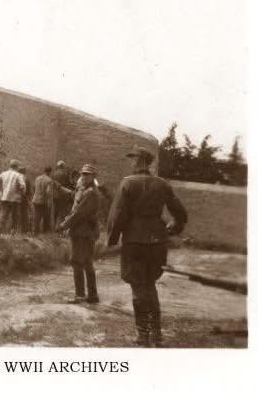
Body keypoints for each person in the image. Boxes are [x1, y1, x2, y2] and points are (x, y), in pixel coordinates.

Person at [107, 146, 188, 347]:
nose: (131, 162)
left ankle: (143, 334)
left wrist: (112, 239)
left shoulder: (127, 183)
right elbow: (181, 213)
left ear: (140, 161)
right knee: (150, 284)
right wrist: (174, 228)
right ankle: (156, 333)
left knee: (137, 286)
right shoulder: (162, 184)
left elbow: (118, 215)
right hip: (158, 242)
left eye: (133, 159)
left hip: (134, 242)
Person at [58, 164, 101, 303]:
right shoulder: (87, 190)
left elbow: (79, 213)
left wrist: (64, 225)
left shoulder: (90, 192)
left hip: (82, 231)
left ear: (93, 176)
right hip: (86, 231)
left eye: (87, 174)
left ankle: (80, 295)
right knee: (87, 262)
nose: (84, 176)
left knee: (77, 262)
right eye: (83, 174)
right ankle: (92, 295)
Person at [0, 160, 26, 237]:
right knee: (15, 217)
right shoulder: (18, 175)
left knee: (3, 215)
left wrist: (1, 189)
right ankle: (12, 233)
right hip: (15, 199)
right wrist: (21, 193)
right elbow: (23, 186)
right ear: (16, 167)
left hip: (5, 197)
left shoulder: (3, 173)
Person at [31, 166, 57, 233]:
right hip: (43, 201)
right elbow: (48, 192)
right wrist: (49, 202)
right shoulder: (49, 180)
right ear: (50, 172)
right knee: (46, 216)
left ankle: (35, 231)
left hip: (35, 199)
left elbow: (34, 187)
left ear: (44, 171)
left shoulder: (37, 178)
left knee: (37, 216)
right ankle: (45, 230)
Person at [53, 160, 75, 224]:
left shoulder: (54, 173)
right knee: (62, 211)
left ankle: (53, 225)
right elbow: (69, 183)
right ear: (62, 166)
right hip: (63, 195)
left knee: (55, 211)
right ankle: (60, 225)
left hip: (54, 195)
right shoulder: (65, 173)